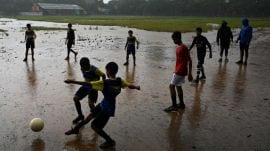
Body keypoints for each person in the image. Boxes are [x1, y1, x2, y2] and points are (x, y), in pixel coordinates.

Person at [64, 62, 140, 149]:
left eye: (106, 70)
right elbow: (129, 85)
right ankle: (76, 129)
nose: (106, 72)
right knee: (89, 117)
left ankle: (110, 141)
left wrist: (72, 81)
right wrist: (136, 87)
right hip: (105, 105)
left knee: (95, 126)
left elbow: (88, 84)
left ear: (108, 71)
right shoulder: (119, 81)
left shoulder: (104, 83)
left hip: (107, 109)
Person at [164, 31, 193, 112]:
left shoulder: (184, 47)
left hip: (180, 70)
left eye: (174, 39)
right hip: (178, 69)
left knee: (171, 86)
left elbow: (190, 60)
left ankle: (174, 106)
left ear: (178, 38)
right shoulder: (178, 48)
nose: (173, 41)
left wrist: (190, 73)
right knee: (178, 86)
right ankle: (181, 104)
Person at [71, 57, 106, 124]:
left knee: (91, 104)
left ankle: (97, 118)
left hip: (93, 87)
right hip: (86, 86)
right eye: (81, 67)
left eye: (84, 67)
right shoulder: (82, 68)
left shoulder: (95, 70)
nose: (82, 69)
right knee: (75, 98)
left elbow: (103, 75)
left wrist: (102, 84)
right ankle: (80, 116)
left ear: (88, 65)